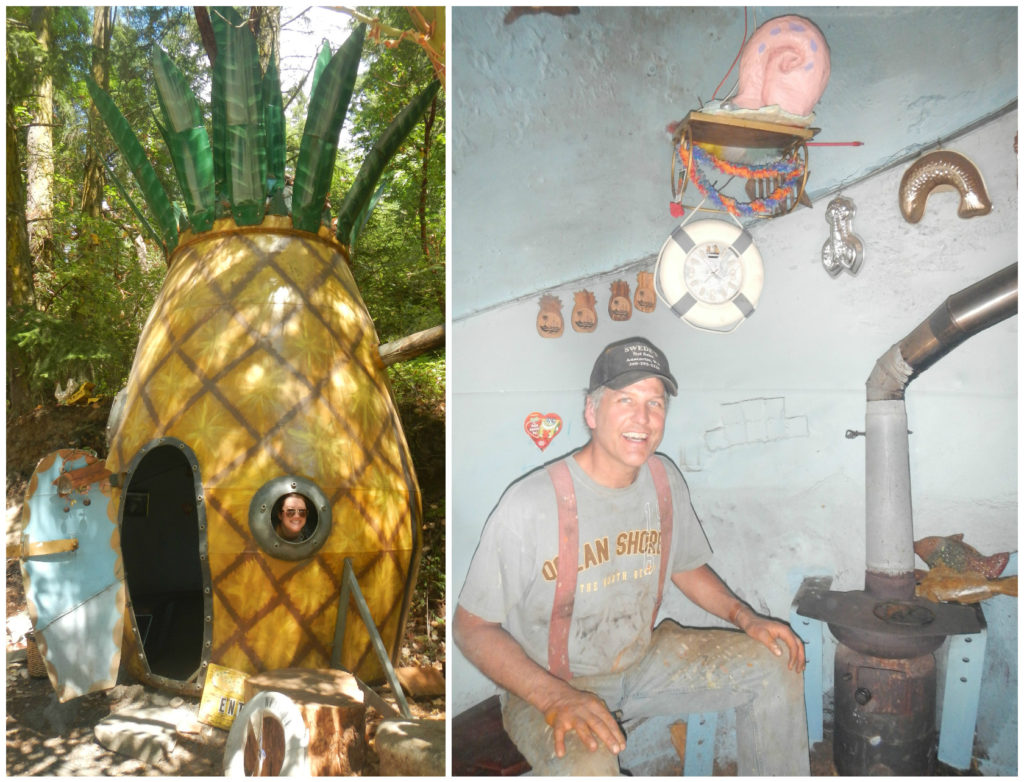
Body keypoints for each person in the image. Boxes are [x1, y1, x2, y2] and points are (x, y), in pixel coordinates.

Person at [454, 336, 809, 775]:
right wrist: (554, 697)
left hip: (643, 662)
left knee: (777, 663)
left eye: (655, 403)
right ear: (591, 411)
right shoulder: (528, 505)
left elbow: (686, 566)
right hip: (548, 684)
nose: (642, 418)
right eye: (625, 400)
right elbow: (471, 628)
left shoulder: (663, 480)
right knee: (589, 767)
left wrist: (745, 617)